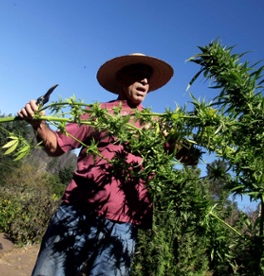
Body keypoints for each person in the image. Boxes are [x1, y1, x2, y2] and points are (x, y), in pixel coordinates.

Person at [17, 53, 198, 275]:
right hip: (78, 213)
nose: (145, 81)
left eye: (148, 78)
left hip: (122, 226)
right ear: (121, 77)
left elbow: (190, 159)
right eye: (139, 75)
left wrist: (182, 143)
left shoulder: (157, 125)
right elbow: (55, 146)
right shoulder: (98, 114)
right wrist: (38, 123)